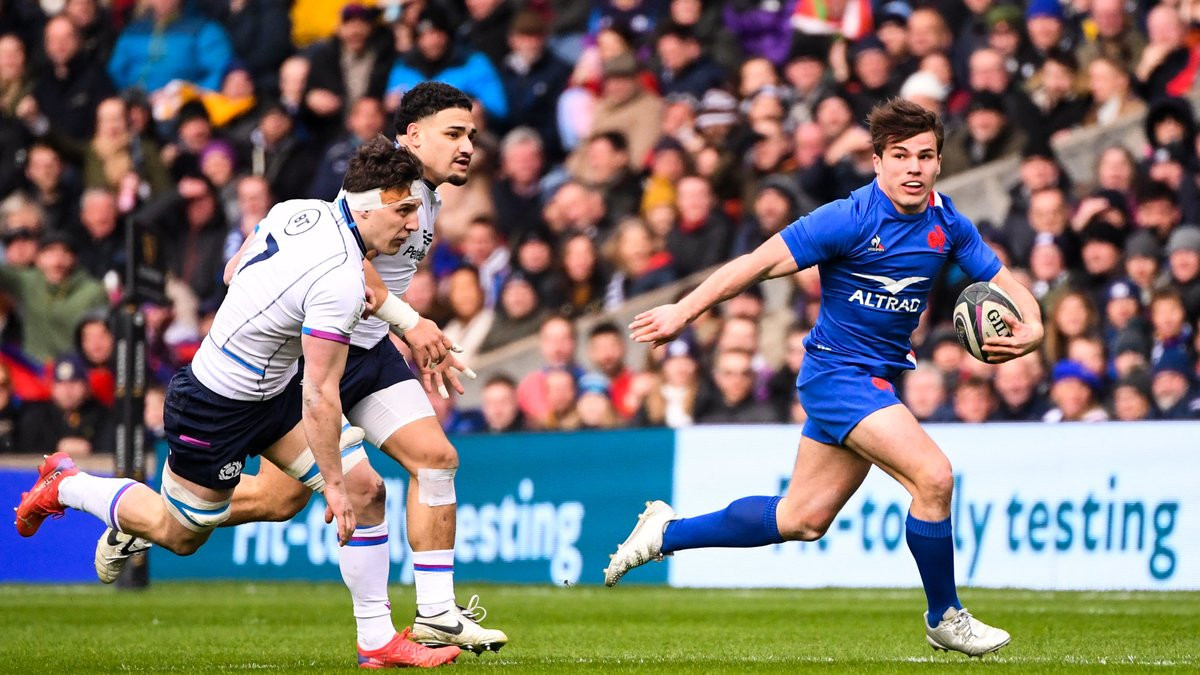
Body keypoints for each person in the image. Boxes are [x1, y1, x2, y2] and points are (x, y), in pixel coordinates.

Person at [604, 99, 1043, 657]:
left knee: (802, 518)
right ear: (878, 162)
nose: (914, 167)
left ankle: (665, 533)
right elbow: (754, 265)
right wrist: (682, 312)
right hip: (837, 374)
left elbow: (1005, 279)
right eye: (900, 156)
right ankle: (945, 616)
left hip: (875, 378)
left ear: (938, 163)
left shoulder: (947, 221)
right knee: (933, 478)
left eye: (925, 156)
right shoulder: (848, 218)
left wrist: (1034, 325)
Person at [15, 138, 460, 670]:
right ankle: (66, 484)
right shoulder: (341, 282)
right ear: (366, 205)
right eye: (404, 210)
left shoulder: (300, 209)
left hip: (271, 394)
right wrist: (332, 488)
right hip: (214, 404)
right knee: (180, 535)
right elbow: (319, 394)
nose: (413, 225)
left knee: (368, 489)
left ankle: (376, 640)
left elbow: (232, 271)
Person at [211, 84, 507, 655]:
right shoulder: (386, 184)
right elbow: (342, 257)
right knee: (278, 502)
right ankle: (158, 514)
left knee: (438, 460)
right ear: (413, 135)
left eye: (470, 134)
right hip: (320, 356)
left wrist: (403, 330)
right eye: (454, 134)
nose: (467, 145)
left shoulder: (425, 188)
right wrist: (410, 321)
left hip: (367, 353)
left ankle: (437, 615)